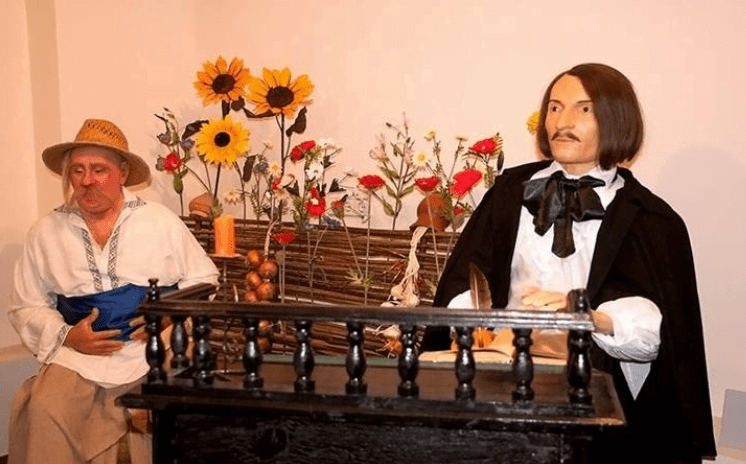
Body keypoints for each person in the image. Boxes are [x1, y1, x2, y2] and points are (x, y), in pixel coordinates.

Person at [421, 63, 716, 463]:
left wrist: (585, 316)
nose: (562, 122)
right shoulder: (508, 194)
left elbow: (656, 333)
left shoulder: (653, 221)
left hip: (596, 404)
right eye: (555, 108)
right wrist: (473, 325)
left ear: (616, 119)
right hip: (499, 387)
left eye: (584, 109)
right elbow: (466, 279)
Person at [8, 119, 219, 464]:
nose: (87, 180)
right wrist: (67, 335)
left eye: (99, 170)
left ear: (122, 173)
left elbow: (205, 280)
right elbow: (26, 304)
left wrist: (167, 317)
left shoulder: (160, 221)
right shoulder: (45, 231)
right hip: (78, 357)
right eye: (77, 170)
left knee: (173, 408)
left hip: (153, 350)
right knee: (45, 406)